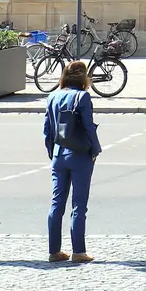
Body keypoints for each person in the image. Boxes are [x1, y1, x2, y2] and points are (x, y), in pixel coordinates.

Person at [44, 60, 103, 263]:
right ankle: (78, 251)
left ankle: (54, 251)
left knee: (56, 202)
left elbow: (47, 129)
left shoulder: (52, 96)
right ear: (84, 77)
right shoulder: (83, 96)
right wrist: (95, 149)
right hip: (79, 155)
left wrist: (52, 152)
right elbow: (87, 126)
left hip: (59, 155)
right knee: (79, 204)